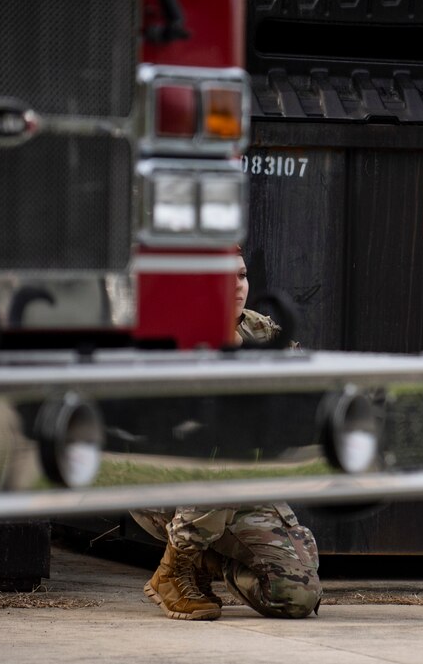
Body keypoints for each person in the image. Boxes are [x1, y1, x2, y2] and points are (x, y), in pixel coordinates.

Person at [130, 251, 321, 621]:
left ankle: (208, 559)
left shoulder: (260, 331)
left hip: (240, 487)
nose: (236, 286)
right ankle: (174, 570)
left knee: (298, 592)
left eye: (241, 275)